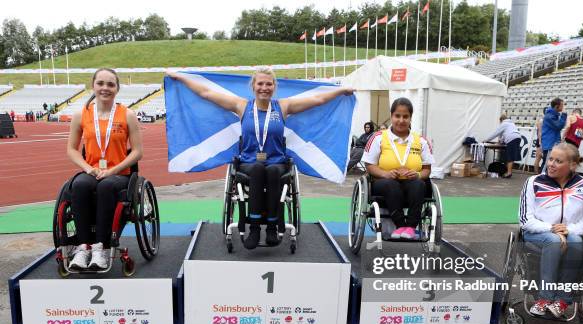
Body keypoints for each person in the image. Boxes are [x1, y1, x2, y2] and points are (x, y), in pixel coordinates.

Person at [167, 67, 353, 249]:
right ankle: (254, 229)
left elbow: (318, 99)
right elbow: (207, 93)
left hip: (276, 163)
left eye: (269, 84)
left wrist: (341, 90)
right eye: (261, 83)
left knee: (271, 170)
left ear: (274, 87)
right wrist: (180, 78)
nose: (264, 87)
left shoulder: (283, 106)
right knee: (257, 168)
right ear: (253, 86)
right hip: (249, 163)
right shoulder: (242, 106)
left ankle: (272, 226)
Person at [66, 68, 143, 270]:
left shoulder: (128, 114)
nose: (105, 88)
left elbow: (137, 152)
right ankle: (83, 247)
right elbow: (71, 150)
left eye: (110, 84)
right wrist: (87, 168)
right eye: (100, 83)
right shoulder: (81, 115)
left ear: (117, 89)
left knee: (106, 186)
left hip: (119, 174)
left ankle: (100, 247)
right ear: (93, 86)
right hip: (92, 171)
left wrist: (113, 170)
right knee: (80, 184)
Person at [519, 142, 583, 318]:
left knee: (576, 242)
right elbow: (524, 220)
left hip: (570, 233)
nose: (551, 164)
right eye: (550, 159)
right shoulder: (534, 182)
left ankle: (562, 300)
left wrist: (567, 230)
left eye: (558, 161)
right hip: (537, 233)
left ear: (572, 165)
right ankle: (545, 298)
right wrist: (551, 228)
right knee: (553, 241)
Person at [362, 97, 434, 240]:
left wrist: (418, 175)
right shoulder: (378, 138)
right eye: (397, 116)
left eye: (405, 116)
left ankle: (411, 228)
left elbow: (427, 169)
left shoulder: (421, 141)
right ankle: (400, 225)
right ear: (391, 116)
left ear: (410, 118)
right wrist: (385, 174)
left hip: (411, 183)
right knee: (391, 185)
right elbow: (369, 165)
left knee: (419, 185)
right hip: (384, 182)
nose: (401, 120)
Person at [483, 113, 521, 178]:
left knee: (510, 156)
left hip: (511, 138)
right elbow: (503, 134)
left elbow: (496, 133)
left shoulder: (504, 124)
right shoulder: (511, 123)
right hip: (518, 137)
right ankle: (508, 171)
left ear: (501, 119)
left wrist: (486, 140)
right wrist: (501, 141)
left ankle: (509, 173)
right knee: (512, 156)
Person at [541, 98, 567, 171]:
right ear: (556, 106)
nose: (563, 107)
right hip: (550, 144)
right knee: (546, 165)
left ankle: (545, 180)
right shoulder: (550, 116)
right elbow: (558, 126)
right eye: (562, 105)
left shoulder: (553, 115)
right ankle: (541, 180)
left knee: (549, 164)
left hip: (552, 143)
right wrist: (564, 116)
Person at [534, 107, 546, 173]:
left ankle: (538, 173)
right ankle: (536, 174)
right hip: (541, 140)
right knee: (538, 157)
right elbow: (539, 132)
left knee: (541, 158)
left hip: (543, 140)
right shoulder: (542, 120)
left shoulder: (542, 120)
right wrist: (541, 142)